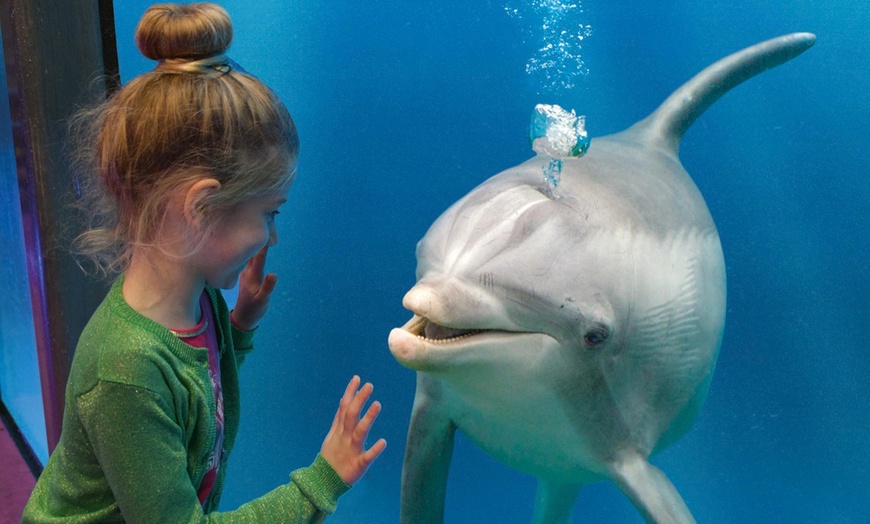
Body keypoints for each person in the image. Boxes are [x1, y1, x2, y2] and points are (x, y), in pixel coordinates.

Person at [21, 3, 386, 522]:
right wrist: (320, 482)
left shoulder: (198, 302)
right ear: (200, 207)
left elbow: (195, 396)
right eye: (268, 213)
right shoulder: (125, 373)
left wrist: (237, 328)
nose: (272, 236)